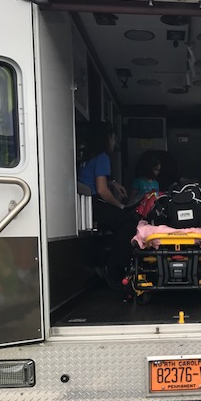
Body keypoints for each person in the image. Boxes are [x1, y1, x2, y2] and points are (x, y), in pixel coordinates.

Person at [77, 121, 135, 289]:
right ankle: (114, 267)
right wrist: (119, 205)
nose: (114, 141)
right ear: (107, 138)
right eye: (113, 137)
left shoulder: (87, 157)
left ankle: (107, 264)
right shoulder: (103, 157)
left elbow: (95, 180)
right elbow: (102, 191)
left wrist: (112, 183)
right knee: (129, 220)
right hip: (94, 204)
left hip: (84, 205)